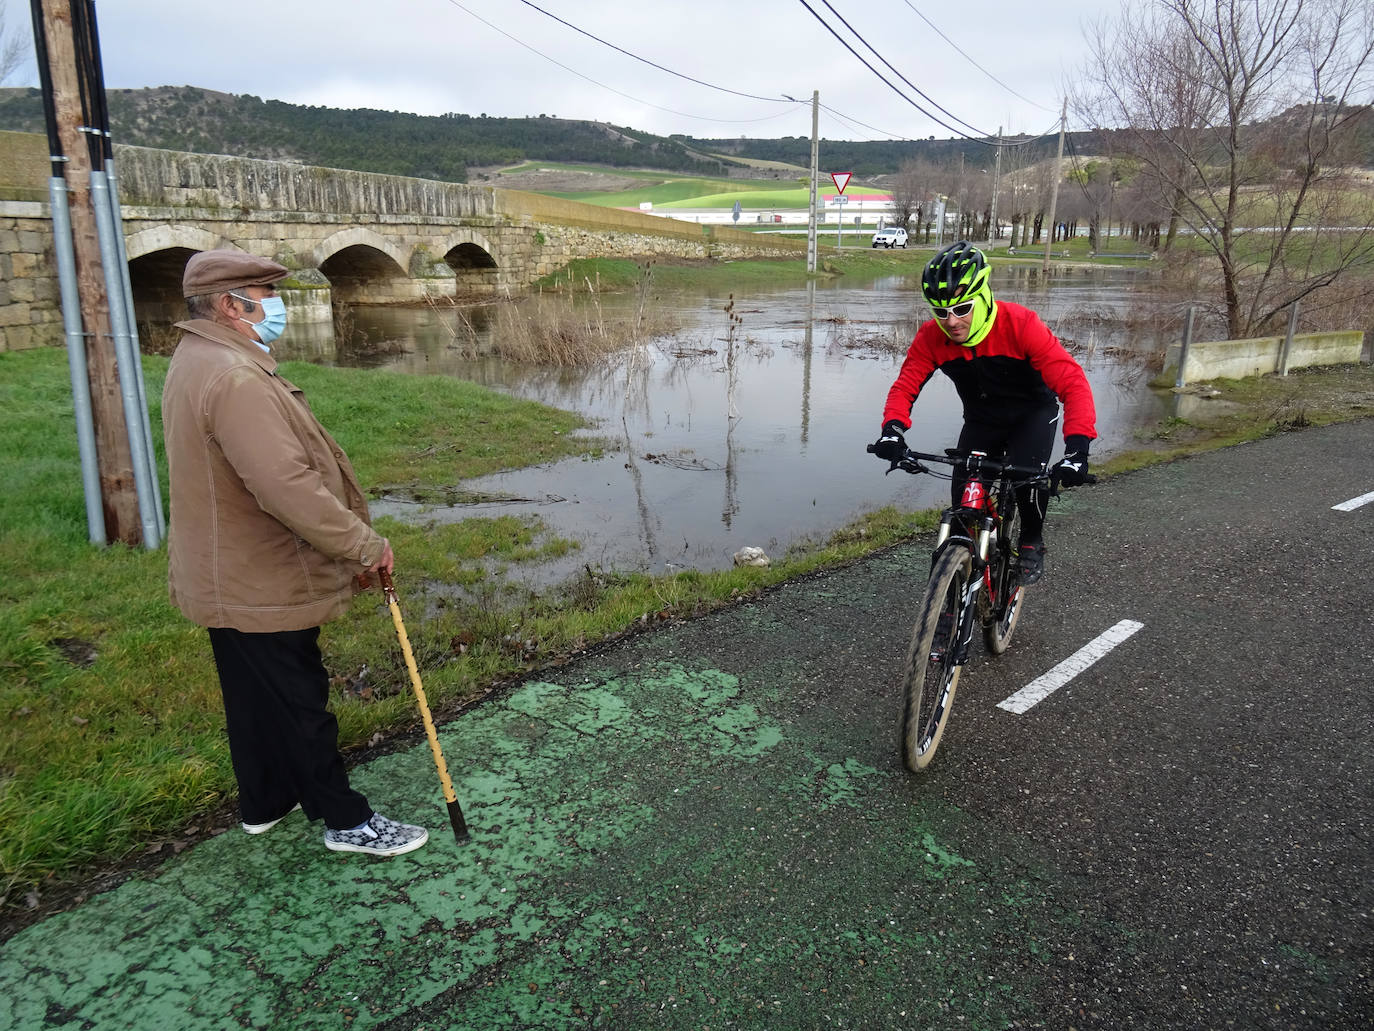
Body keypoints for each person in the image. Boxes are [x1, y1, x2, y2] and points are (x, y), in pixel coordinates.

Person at [162, 248, 428, 857]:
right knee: (298, 700)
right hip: (259, 574)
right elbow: (285, 486)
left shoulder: (203, 356)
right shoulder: (233, 377)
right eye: (264, 291)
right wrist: (365, 546)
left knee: (253, 696)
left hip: (227, 571)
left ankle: (264, 800)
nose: (276, 302)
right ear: (233, 305)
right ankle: (345, 819)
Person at [871, 240, 1096, 584]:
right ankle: (949, 602)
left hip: (1032, 415)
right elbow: (906, 384)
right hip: (982, 421)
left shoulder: (1021, 324)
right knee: (963, 509)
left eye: (961, 308)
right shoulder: (932, 337)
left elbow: (1073, 382)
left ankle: (1032, 542)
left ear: (983, 296)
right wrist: (892, 430)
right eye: (941, 312)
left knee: (1028, 482)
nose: (951, 321)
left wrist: (1078, 449)